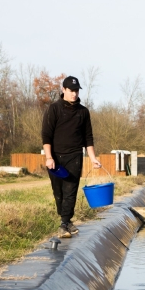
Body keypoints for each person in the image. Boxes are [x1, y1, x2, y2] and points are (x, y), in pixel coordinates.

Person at [42, 76, 101, 238]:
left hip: (75, 156)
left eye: (76, 91)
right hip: (55, 157)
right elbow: (46, 135)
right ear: (63, 90)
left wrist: (93, 158)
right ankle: (66, 220)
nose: (74, 94)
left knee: (71, 191)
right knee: (58, 191)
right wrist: (49, 157)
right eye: (71, 90)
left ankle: (64, 222)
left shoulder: (83, 112)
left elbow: (88, 138)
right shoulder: (54, 109)